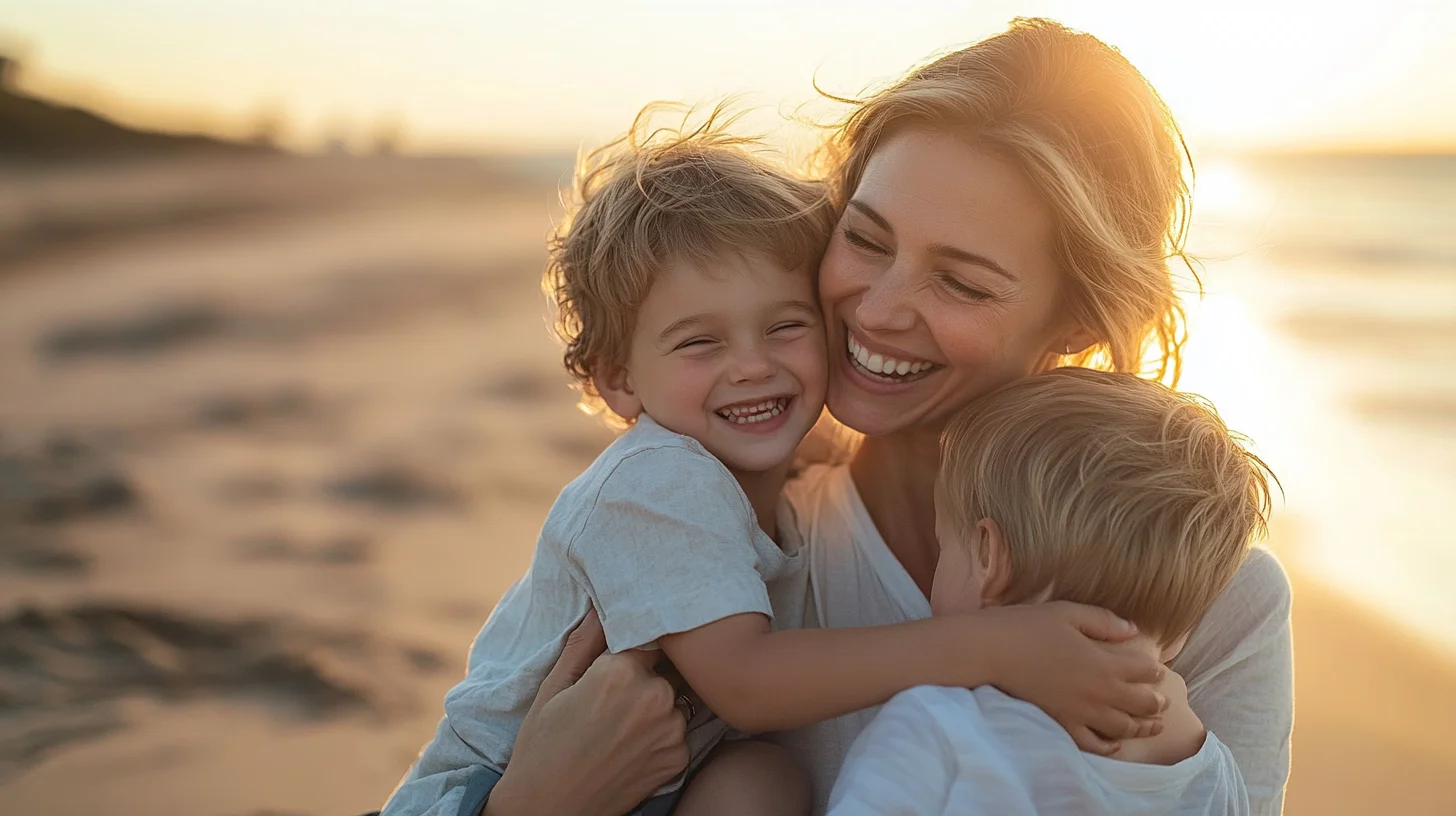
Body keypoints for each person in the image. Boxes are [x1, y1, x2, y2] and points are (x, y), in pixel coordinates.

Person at [469, 17, 1293, 816]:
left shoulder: (1203, 592)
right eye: (865, 239)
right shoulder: (738, 529)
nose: (879, 310)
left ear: (1077, 323)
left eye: (961, 283)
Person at [381, 104, 1166, 816]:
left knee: (764, 783)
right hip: (488, 791)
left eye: (786, 327)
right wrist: (998, 646)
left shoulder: (773, 474)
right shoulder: (659, 480)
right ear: (618, 379)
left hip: (667, 779)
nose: (752, 366)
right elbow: (747, 683)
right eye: (700, 342)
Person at [826, 368, 1274, 815]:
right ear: (1182, 636)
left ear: (987, 557)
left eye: (946, 544)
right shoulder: (1212, 774)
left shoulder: (937, 729)